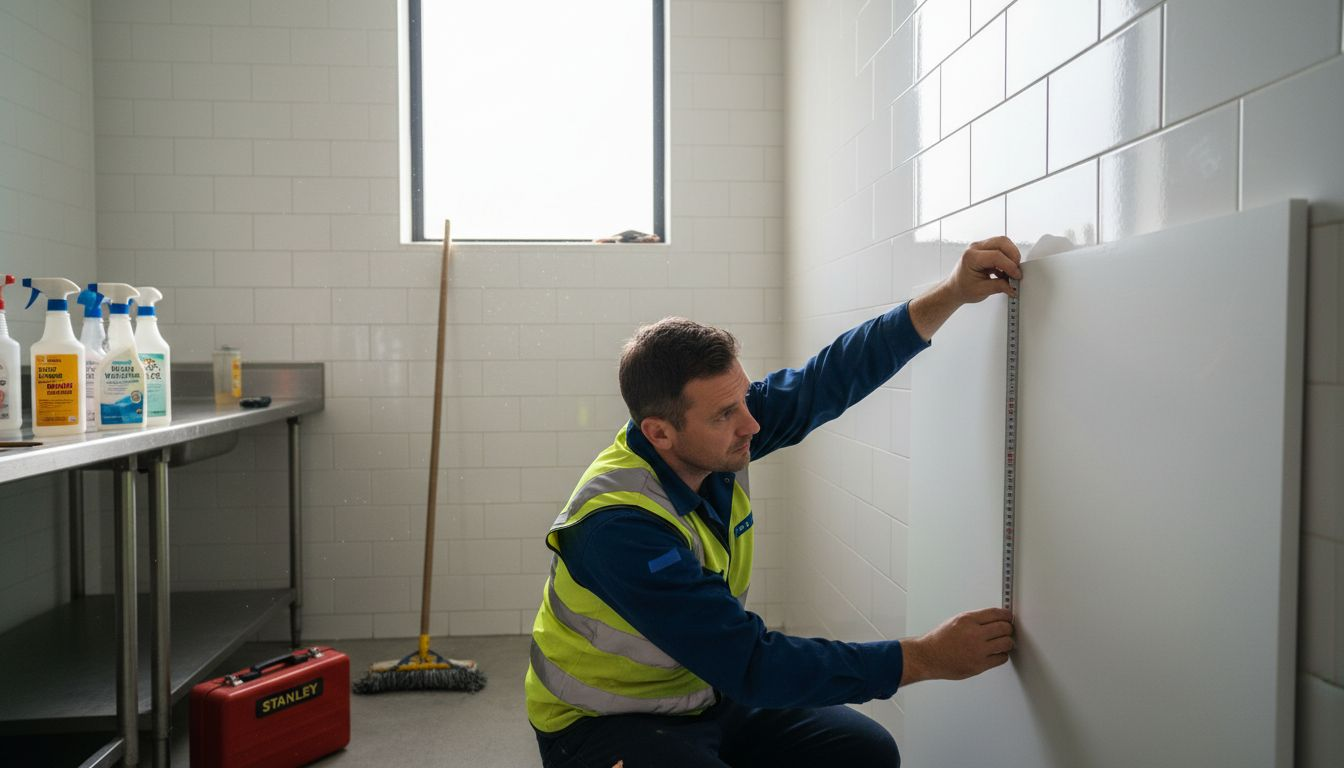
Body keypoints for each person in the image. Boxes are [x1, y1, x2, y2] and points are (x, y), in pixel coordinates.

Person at [524, 237, 1024, 767]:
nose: (752, 424)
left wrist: (950, 292)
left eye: (743, 398)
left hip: (703, 689)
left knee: (864, 752)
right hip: (604, 722)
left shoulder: (713, 443)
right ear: (660, 433)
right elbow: (753, 664)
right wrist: (924, 658)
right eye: (725, 414)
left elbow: (828, 379)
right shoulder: (619, 528)